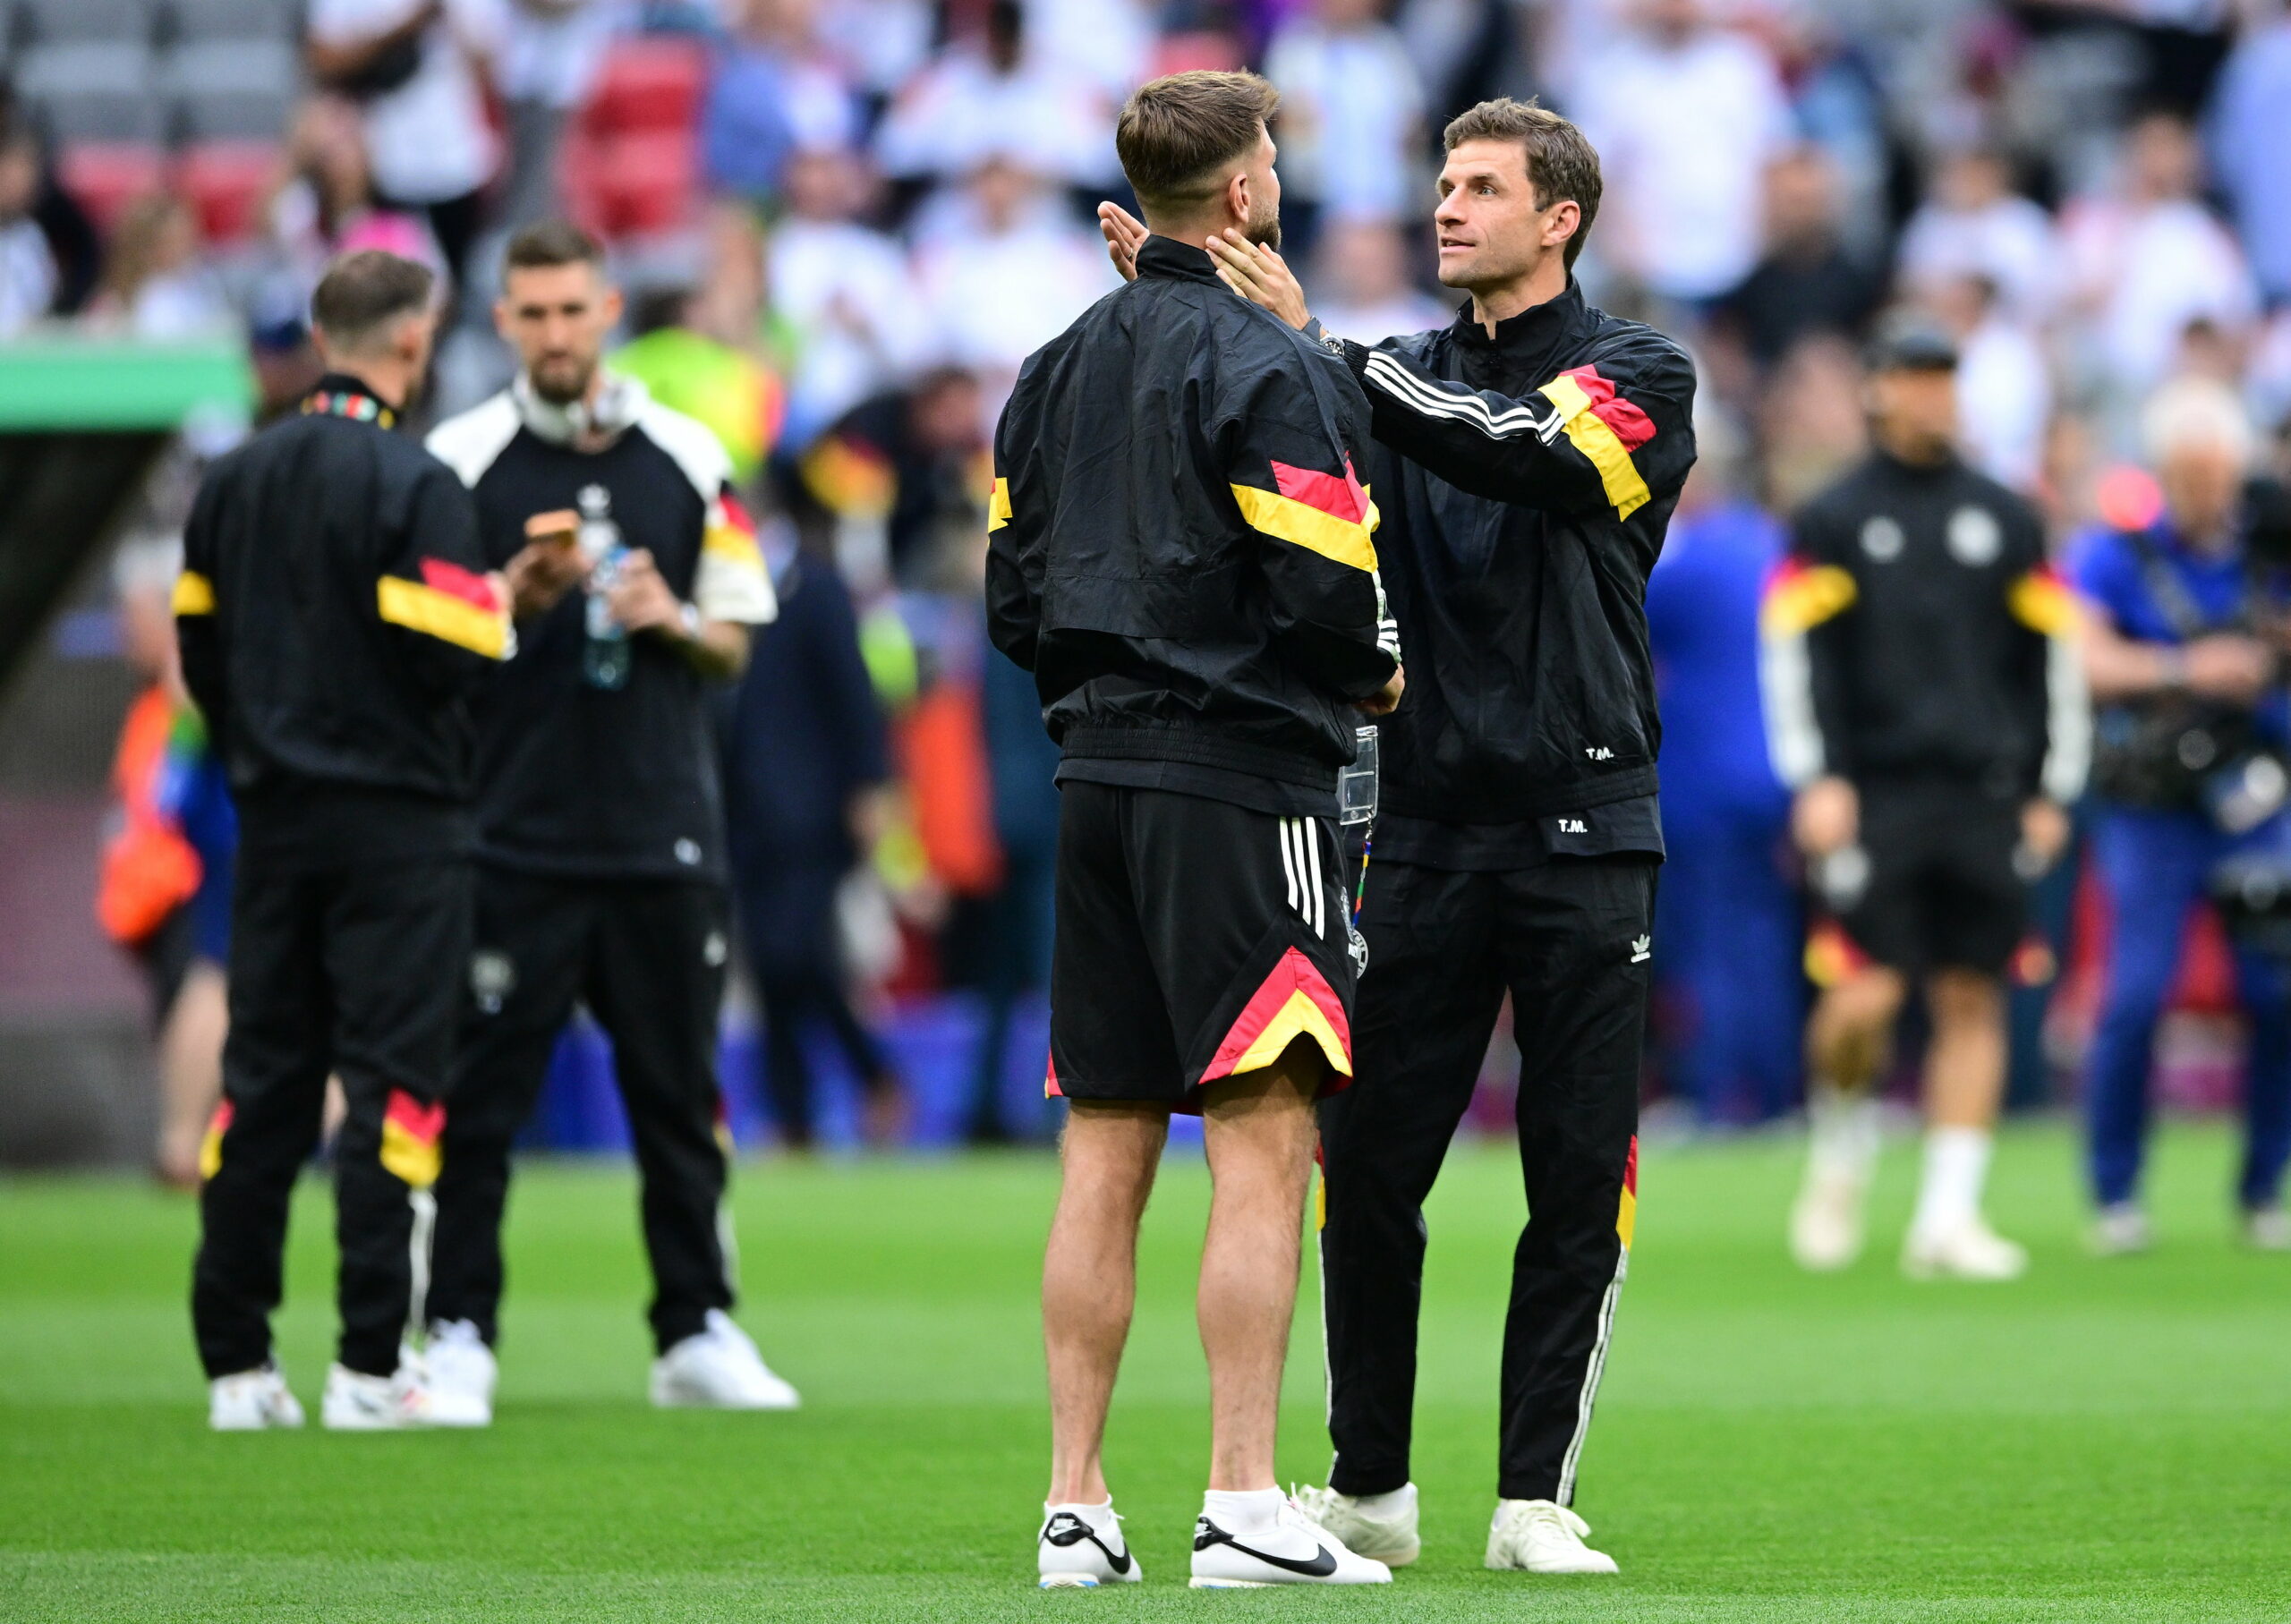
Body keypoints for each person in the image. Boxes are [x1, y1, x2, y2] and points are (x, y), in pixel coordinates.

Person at [1119, 94, 1701, 1577]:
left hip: (1587, 827)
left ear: (1557, 218)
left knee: (1576, 1181)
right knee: (1367, 1174)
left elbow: (1535, 456)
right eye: (1442, 182)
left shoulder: (1640, 372)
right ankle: (1367, 1482)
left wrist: (1319, 354)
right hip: (1421, 826)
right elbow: (1295, 466)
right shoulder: (1391, 374)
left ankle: (1534, 1500)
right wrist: (1201, 321)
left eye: (1481, 186)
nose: (1448, 206)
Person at [990, 70, 1402, 1591]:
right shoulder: (1268, 362)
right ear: (1243, 193)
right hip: (1241, 786)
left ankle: (1075, 1506)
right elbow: (1321, 582)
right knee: (1263, 1133)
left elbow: (1011, 600)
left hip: (1089, 778)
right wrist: (1379, 672)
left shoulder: (1046, 368)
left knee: (1103, 1140)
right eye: (1275, 152)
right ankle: (1241, 1494)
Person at [420, 221, 786, 1427]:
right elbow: (415, 653)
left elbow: (736, 634)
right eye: (533, 314)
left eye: (574, 310)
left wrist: (669, 615)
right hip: (508, 833)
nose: (557, 334)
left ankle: (695, 1326)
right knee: (477, 1101)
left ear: (609, 307)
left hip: (661, 830)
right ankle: (458, 1329)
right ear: (503, 322)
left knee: (680, 1098)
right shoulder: (456, 463)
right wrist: (503, 608)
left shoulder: (686, 454)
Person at [181, 250, 511, 1432]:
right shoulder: (413, 480)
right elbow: (458, 649)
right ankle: (373, 1364)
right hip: (401, 834)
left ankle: (236, 1364)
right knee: (395, 1092)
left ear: (322, 336)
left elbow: (199, 656)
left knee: (259, 1088)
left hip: (271, 824)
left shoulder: (230, 480)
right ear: (413, 344)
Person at [1762, 314, 2088, 1281]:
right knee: (1862, 995)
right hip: (1874, 795)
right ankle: (1841, 1143)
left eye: (1947, 380)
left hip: (1985, 794)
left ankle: (1947, 1215)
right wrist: (1814, 776)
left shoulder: (2007, 515)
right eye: (1918, 379)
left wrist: (2050, 786)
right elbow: (1792, 655)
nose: (1936, 397)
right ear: (1878, 391)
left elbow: (2052, 661)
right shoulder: (1831, 518)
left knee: (1971, 994)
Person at [2070, 378, 2291, 1254]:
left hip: (2255, 800)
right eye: (2188, 473)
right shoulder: (2118, 552)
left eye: (2217, 473)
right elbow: (2084, 661)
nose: (2205, 490)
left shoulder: (2269, 546)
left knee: (2274, 992)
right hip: (2150, 805)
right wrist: (2188, 669)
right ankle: (2115, 1193)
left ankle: (2261, 1187)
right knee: (2133, 996)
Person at [717, 519, 902, 1150]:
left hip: (812, 812)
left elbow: (853, 691)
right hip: (745, 816)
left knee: (795, 954)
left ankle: (873, 1074)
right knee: (773, 972)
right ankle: (797, 1117)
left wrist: (870, 787)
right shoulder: (723, 589)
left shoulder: (815, 588)